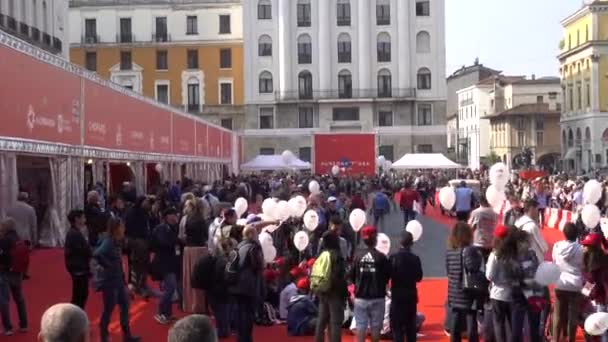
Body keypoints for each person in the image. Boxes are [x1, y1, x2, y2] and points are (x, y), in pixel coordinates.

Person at [93, 217, 140, 342]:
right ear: (116, 228)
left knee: (125, 306)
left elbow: (118, 262)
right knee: (109, 309)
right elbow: (97, 254)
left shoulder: (116, 241)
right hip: (110, 282)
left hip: (118, 281)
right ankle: (103, 336)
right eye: (122, 226)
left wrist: (124, 281)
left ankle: (127, 335)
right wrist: (108, 266)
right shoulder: (108, 242)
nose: (124, 228)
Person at [351, 226, 390, 342]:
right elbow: (387, 276)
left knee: (361, 325)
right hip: (377, 296)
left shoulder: (357, 256)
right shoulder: (381, 257)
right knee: (376, 326)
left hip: (361, 296)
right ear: (375, 239)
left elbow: (351, 275)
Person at [446, 222, 483, 342]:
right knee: (471, 319)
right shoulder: (470, 251)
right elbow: (473, 267)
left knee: (455, 323)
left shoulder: (450, 252)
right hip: (467, 291)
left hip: (454, 291)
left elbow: (448, 271)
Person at [486, 226, 521, 342]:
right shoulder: (516, 254)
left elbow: (489, 275)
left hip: (497, 293)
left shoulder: (495, 255)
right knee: (513, 325)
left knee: (499, 324)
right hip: (512, 293)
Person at [229, 225, 264, 342]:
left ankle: (240, 338)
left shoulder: (239, 246)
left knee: (239, 313)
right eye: (255, 234)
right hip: (249, 285)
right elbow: (257, 265)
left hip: (236, 284)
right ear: (250, 235)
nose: (257, 236)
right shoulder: (253, 247)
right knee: (248, 314)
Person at [551, 222, 584, 342]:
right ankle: (571, 339)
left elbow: (554, 261)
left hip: (560, 283)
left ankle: (555, 339)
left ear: (564, 234)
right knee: (573, 316)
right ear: (576, 235)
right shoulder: (581, 249)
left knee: (558, 315)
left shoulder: (557, 246)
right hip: (575, 285)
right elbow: (583, 266)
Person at [389, 230, 423, 342]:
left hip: (397, 295)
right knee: (410, 327)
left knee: (397, 327)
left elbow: (388, 275)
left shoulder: (393, 258)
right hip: (410, 296)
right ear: (411, 243)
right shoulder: (415, 258)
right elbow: (419, 277)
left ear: (399, 242)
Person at [314, 230, 348, 342]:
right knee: (335, 322)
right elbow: (339, 276)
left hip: (323, 291)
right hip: (335, 292)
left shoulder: (322, 255)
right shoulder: (336, 255)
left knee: (321, 321)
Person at [150, 208, 181, 325]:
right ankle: (160, 312)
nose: (175, 217)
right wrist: (176, 241)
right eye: (173, 215)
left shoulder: (173, 228)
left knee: (170, 288)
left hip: (171, 262)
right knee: (171, 288)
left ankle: (167, 314)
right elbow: (162, 242)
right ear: (167, 216)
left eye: (175, 214)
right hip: (164, 263)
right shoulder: (161, 229)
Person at [180, 199, 209, 314]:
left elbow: (182, 235)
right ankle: (199, 305)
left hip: (188, 250)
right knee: (200, 279)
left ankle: (188, 303)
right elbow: (206, 236)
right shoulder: (202, 220)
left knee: (188, 278)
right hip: (199, 250)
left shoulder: (186, 218)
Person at [0, 218, 28, 336]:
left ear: (6, 227)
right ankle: (23, 325)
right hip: (17, 272)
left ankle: (8, 327)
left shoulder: (4, 240)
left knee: (4, 301)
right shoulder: (19, 238)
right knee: (19, 300)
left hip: (4, 272)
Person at [581, 233, 608, 342]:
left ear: (592, 248)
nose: (583, 247)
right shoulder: (603, 258)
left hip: (602, 299)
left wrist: (584, 295)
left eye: (586, 245)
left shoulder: (594, 265)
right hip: (602, 298)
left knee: (602, 328)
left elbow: (592, 283)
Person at [124, 196, 152, 297]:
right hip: (136, 242)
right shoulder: (133, 213)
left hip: (142, 242)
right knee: (136, 265)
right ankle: (136, 286)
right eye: (146, 202)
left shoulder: (143, 212)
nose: (148, 204)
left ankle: (140, 285)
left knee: (143, 265)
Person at [64, 210, 92, 309]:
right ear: (77, 219)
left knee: (80, 294)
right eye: (83, 217)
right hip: (78, 267)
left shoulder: (75, 232)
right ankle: (75, 316)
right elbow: (83, 250)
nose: (85, 220)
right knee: (80, 295)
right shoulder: (74, 234)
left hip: (78, 267)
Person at [515, 199, 548, 274]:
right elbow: (544, 248)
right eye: (536, 209)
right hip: (534, 262)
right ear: (531, 209)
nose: (537, 212)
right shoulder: (532, 226)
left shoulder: (518, 221)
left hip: (520, 260)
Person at [469, 194, 497, 260]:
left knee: (476, 264)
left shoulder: (476, 212)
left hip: (478, 241)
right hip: (490, 242)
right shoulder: (494, 212)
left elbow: (471, 226)